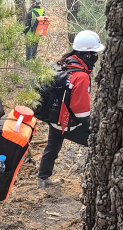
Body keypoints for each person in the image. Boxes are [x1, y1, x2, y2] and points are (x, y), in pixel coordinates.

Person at [37, 30, 104, 188]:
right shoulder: (80, 76)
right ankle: (98, 180)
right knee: (97, 143)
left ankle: (42, 179)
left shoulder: (65, 62)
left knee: (52, 147)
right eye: (94, 53)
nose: (96, 56)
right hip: (65, 123)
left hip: (54, 118)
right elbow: (80, 111)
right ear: (87, 55)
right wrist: (91, 129)